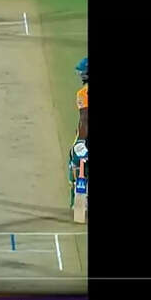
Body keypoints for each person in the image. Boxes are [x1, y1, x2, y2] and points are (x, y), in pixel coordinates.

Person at [68, 57, 89, 208]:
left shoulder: (83, 93)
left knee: (74, 160)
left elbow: (84, 119)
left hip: (85, 137)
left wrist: (81, 142)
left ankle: (75, 198)